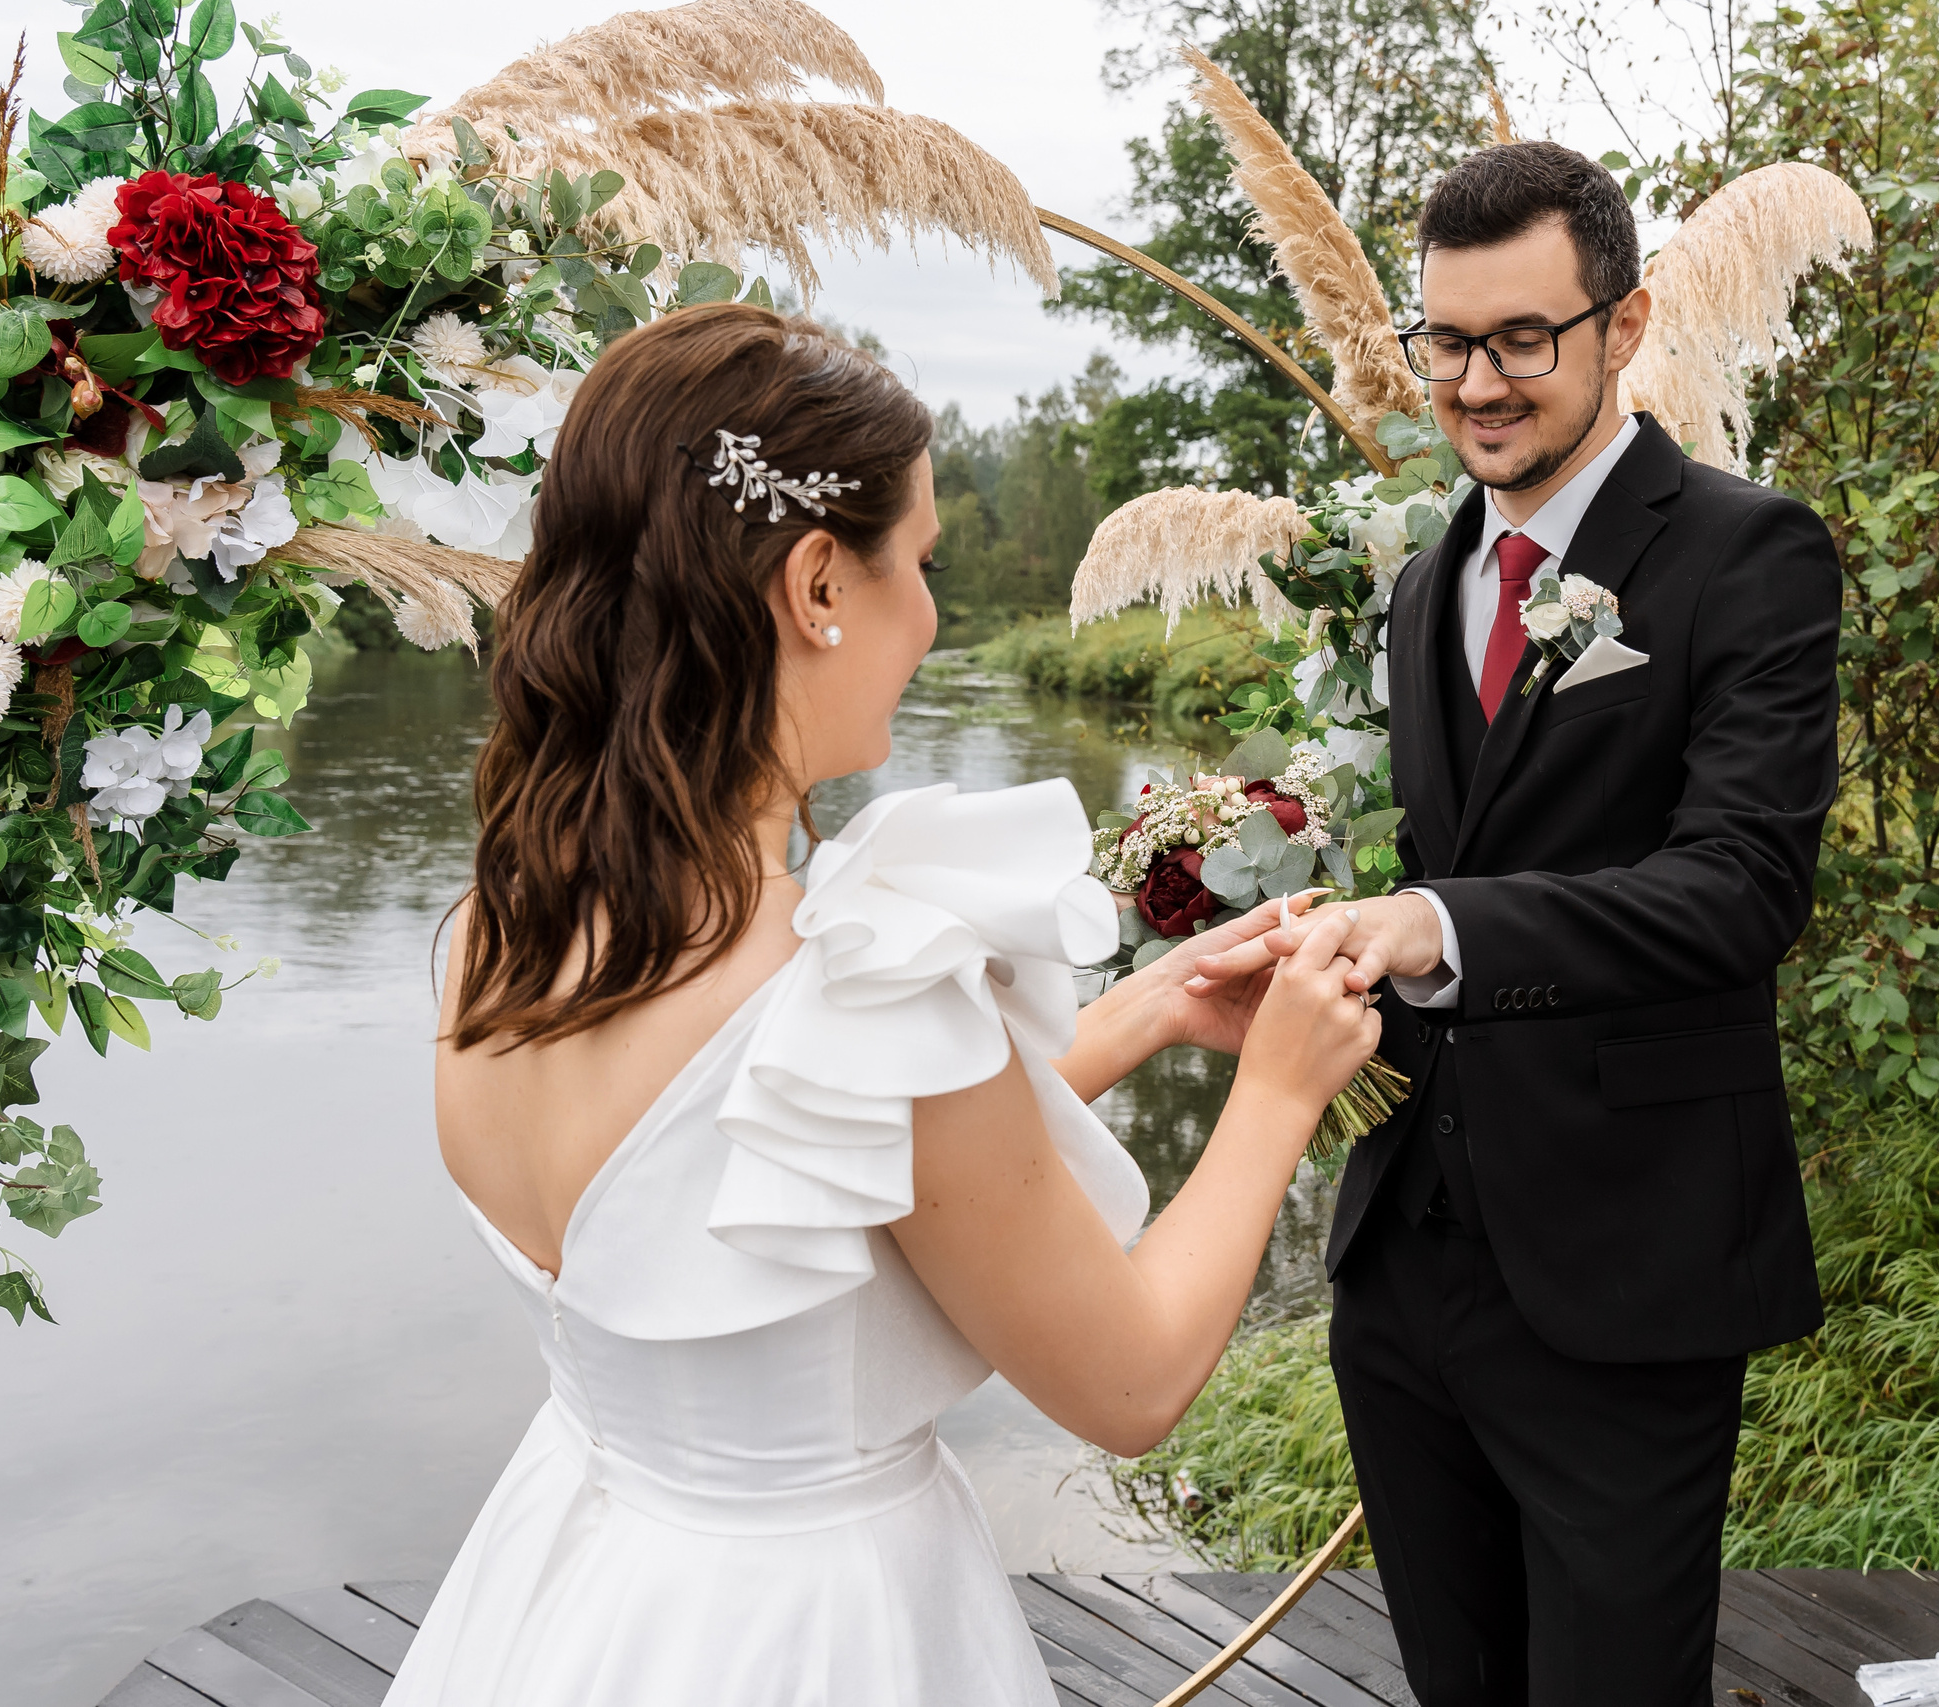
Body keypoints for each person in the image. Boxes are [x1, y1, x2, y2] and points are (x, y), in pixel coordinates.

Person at [386, 303, 1380, 1706]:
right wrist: (1279, 1089)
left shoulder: (501, 937)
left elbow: (782, 1179)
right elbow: (1134, 1384)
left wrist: (1144, 1014)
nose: (933, 615)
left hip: (582, 1595)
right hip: (819, 1632)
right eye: (919, 561)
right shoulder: (863, 977)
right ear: (815, 585)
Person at [1193, 141, 1842, 1704]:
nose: (1477, 384)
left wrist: (1432, 920)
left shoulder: (1749, 554)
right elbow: (1444, 840)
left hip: (1628, 1262)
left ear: (1622, 328)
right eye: (1448, 342)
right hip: (1404, 1270)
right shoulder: (1425, 582)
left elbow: (1743, 887)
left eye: (1521, 340)